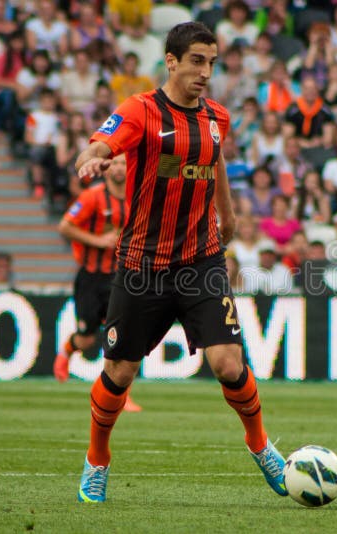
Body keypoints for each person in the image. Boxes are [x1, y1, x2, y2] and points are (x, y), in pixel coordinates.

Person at [73, 22, 287, 503]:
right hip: (143, 262)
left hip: (200, 260)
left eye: (211, 62)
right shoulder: (140, 110)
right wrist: (93, 157)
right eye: (196, 60)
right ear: (171, 61)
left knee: (229, 363)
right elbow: (102, 142)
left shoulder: (217, 118)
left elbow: (214, 163)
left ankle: (261, 446)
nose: (205, 72)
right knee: (120, 373)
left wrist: (227, 214)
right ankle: (97, 459)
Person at [54, 153, 141, 412]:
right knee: (87, 339)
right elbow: (65, 226)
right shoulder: (93, 196)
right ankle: (67, 351)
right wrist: (99, 241)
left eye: (124, 162)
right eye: (114, 162)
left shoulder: (138, 198)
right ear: (104, 168)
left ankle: (122, 396)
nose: (119, 167)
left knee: (124, 338)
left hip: (122, 278)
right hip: (91, 277)